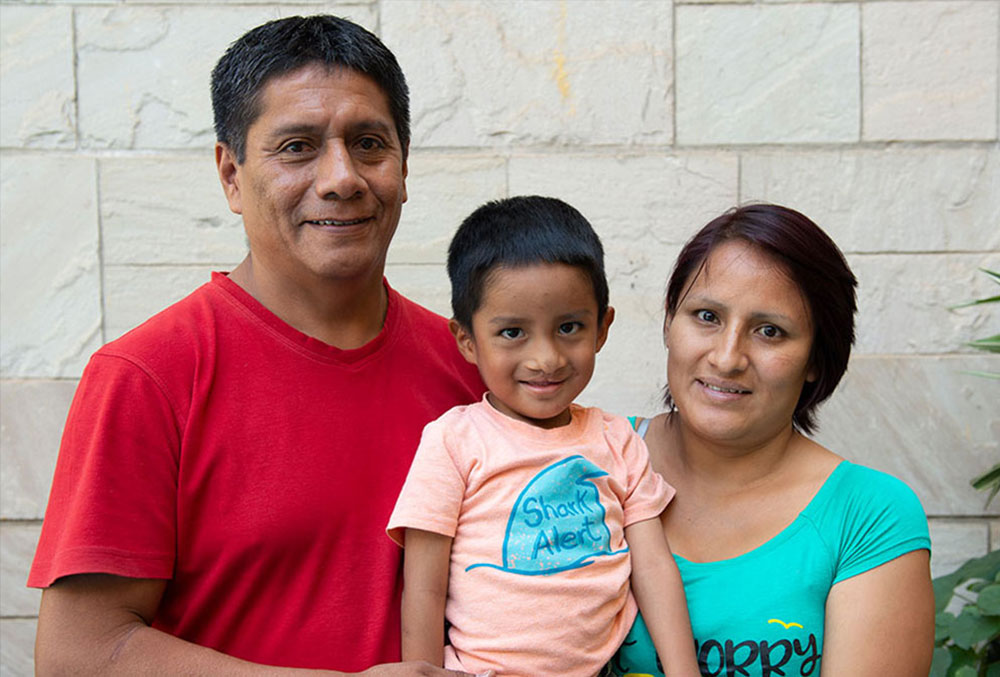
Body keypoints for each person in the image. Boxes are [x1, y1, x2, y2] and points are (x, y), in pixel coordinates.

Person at [29, 15, 487, 676]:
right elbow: (79, 654)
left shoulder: (469, 367)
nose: (342, 177)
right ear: (230, 174)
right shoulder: (147, 375)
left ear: (404, 166)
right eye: (298, 147)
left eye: (368, 143)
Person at [607, 204, 934, 676]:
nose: (727, 357)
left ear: (816, 360)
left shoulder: (869, 515)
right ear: (668, 324)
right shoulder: (594, 461)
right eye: (706, 316)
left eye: (769, 331)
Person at [387, 196, 701, 677]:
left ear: (602, 328)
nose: (546, 358)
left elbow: (654, 568)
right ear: (466, 340)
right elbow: (424, 586)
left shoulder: (617, 440)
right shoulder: (453, 441)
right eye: (513, 332)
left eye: (569, 327)